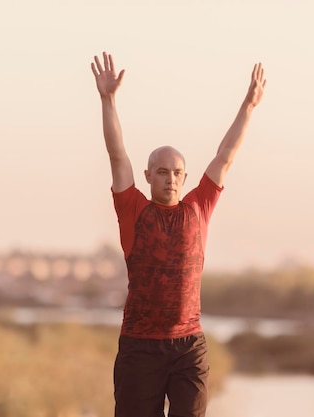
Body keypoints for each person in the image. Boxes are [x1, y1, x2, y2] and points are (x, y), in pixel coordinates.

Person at [90, 51, 266, 417]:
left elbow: (225, 155)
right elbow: (117, 156)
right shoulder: (133, 210)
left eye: (177, 172)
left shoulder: (199, 207)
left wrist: (249, 105)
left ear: (184, 179)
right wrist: (108, 101)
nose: (170, 178)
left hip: (188, 348)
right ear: (149, 175)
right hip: (139, 347)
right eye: (162, 171)